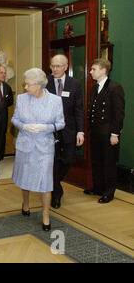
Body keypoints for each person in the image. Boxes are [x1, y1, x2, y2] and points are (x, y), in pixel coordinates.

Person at [11, 68, 65, 231]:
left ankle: (45, 214)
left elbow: (61, 123)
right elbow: (14, 119)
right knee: (25, 177)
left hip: (45, 147)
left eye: (28, 84)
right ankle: (26, 204)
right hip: (25, 145)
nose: (25, 87)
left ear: (38, 85)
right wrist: (24, 126)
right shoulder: (21, 99)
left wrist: (46, 127)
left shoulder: (55, 101)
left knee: (46, 182)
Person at [46, 54, 84, 209]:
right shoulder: (45, 82)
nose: (54, 69)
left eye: (58, 66)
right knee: (53, 162)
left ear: (66, 66)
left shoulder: (74, 84)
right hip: (50, 130)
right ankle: (56, 193)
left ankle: (53, 184)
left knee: (68, 160)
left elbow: (78, 109)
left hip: (69, 130)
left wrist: (80, 131)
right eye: (52, 66)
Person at [85, 58, 125, 204]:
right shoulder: (95, 88)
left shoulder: (114, 87)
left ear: (103, 70)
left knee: (108, 163)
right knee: (96, 161)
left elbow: (119, 113)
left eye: (93, 69)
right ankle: (98, 188)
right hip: (96, 131)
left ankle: (108, 192)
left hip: (108, 132)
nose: (90, 72)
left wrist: (115, 134)